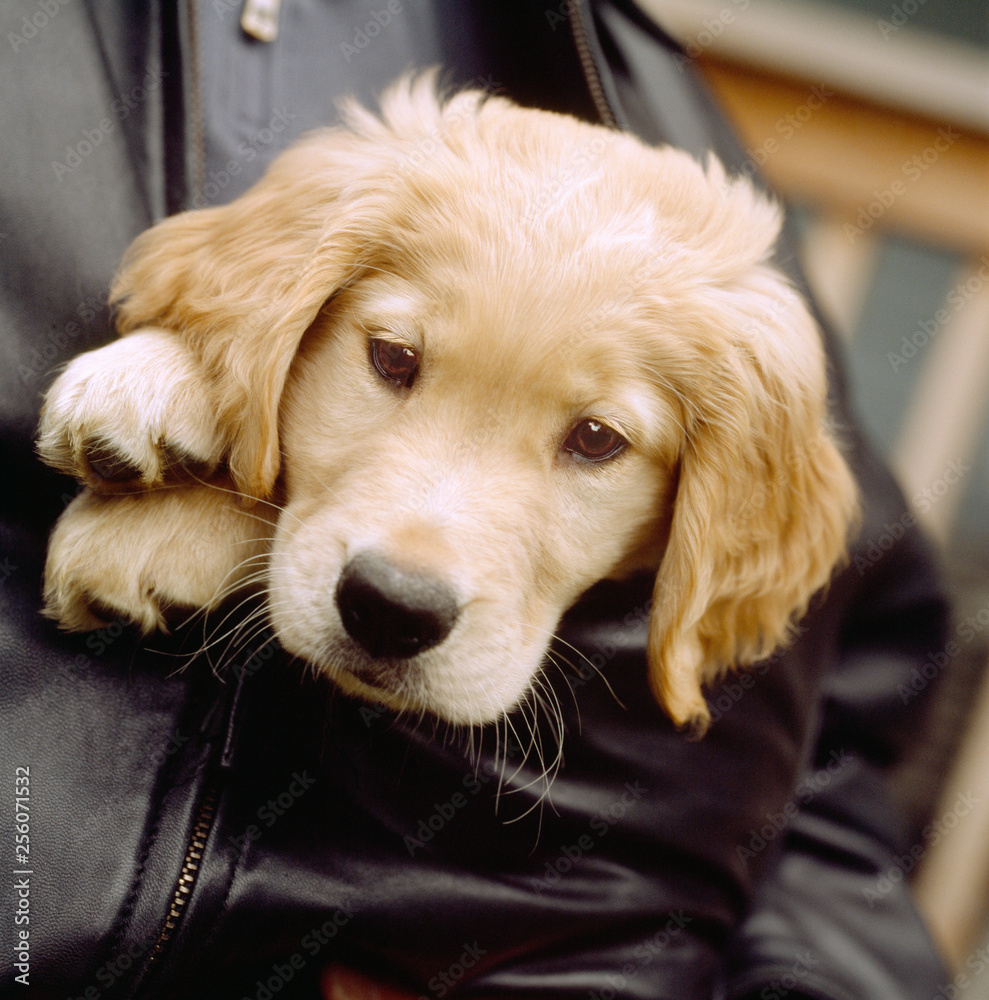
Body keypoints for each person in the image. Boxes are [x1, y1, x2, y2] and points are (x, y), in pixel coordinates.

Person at [1, 2, 951, 997]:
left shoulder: (615, 64)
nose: (414, 563)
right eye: (395, 360)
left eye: (595, 439)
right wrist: (221, 452)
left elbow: (826, 747)